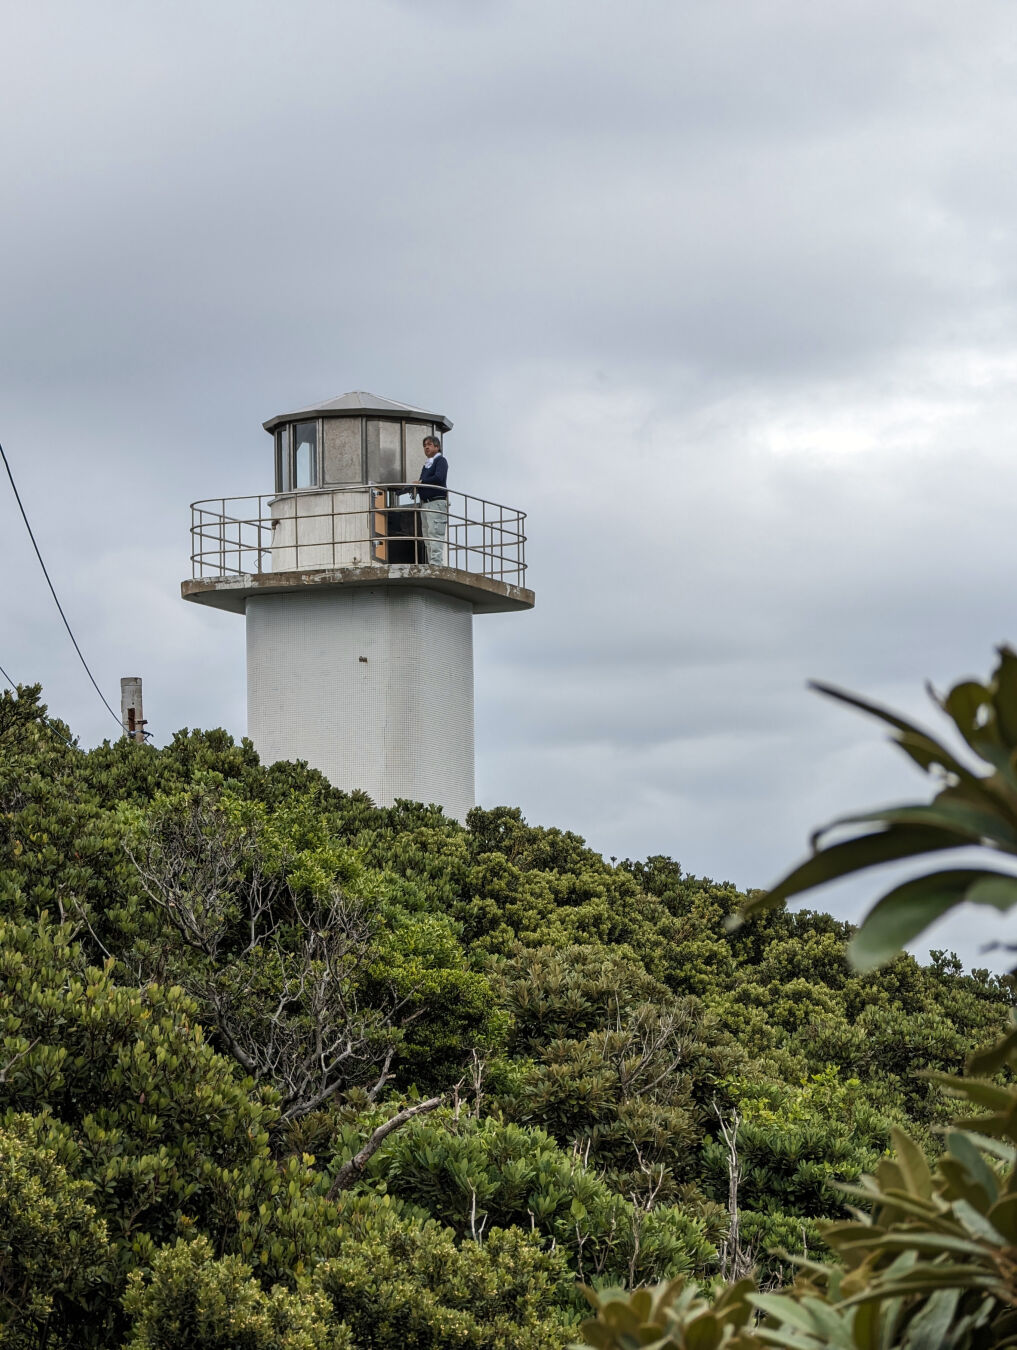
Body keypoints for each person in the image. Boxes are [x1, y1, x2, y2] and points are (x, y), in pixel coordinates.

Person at [415, 435, 448, 565]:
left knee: (435, 534)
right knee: (428, 536)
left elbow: (439, 478)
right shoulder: (427, 465)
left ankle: (436, 564)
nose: (426, 447)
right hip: (426, 503)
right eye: (424, 445)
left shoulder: (441, 461)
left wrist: (422, 482)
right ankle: (432, 563)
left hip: (436, 502)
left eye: (429, 444)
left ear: (437, 447)